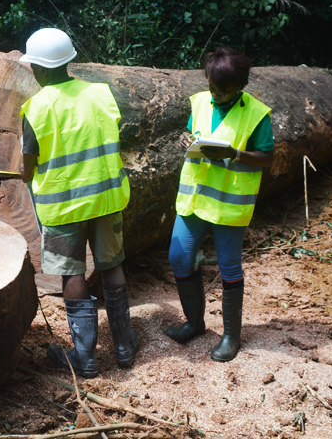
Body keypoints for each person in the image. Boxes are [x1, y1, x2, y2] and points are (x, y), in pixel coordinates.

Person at [19, 28, 138, 377]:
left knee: (72, 272)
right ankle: (123, 346)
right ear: (69, 61)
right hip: (106, 198)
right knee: (111, 264)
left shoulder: (36, 108)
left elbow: (27, 169)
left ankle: (84, 358)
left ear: (38, 69)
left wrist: (21, 172)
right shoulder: (100, 94)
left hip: (64, 206)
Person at [165, 46, 274, 362]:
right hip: (196, 197)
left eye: (224, 91)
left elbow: (267, 157)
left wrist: (236, 155)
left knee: (229, 267)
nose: (216, 95)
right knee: (178, 257)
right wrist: (185, 139)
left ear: (240, 86)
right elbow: (190, 131)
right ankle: (194, 324)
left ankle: (230, 336)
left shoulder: (257, 114)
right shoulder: (200, 101)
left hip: (228, 204)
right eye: (212, 87)